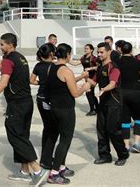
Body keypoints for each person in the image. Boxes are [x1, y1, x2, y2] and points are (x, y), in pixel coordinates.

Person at [0, 33, 47, 185]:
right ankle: (24, 171)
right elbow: (14, 75)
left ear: (10, 44)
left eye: (2, 44)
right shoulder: (20, 58)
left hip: (17, 104)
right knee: (22, 135)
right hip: (27, 102)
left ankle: (37, 170)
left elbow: (3, 82)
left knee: (15, 135)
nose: (0, 47)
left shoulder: (9, 60)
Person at [46, 43, 90, 184]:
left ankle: (61, 167)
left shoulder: (51, 67)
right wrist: (85, 87)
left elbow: (63, 85)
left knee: (61, 138)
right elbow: (75, 93)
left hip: (55, 108)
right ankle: (54, 173)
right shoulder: (66, 70)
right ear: (68, 55)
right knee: (65, 141)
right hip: (65, 110)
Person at [88, 42, 129, 166]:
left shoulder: (113, 67)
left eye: (101, 52)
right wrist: (80, 80)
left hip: (114, 103)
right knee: (101, 130)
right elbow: (93, 82)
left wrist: (104, 89)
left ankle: (123, 154)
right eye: (98, 52)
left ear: (109, 52)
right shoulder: (100, 67)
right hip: (103, 103)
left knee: (113, 130)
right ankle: (105, 155)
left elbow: (113, 83)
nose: (99, 54)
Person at [30, 43, 55, 170]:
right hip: (48, 99)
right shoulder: (54, 66)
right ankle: (47, 157)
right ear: (51, 54)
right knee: (52, 129)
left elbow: (31, 80)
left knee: (47, 127)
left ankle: (47, 154)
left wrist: (41, 82)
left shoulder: (38, 66)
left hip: (40, 98)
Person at [116, 41, 140, 153]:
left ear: (121, 50)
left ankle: (126, 145)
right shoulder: (137, 61)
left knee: (125, 119)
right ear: (131, 50)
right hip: (136, 92)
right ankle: (137, 144)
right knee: (139, 117)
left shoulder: (117, 62)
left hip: (122, 92)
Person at [80, 44, 98, 116]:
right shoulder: (83, 57)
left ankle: (92, 110)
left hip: (93, 76)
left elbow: (98, 66)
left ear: (91, 50)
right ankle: (97, 108)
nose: (85, 50)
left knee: (88, 93)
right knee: (91, 93)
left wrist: (90, 68)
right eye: (85, 48)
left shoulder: (93, 58)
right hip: (86, 77)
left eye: (87, 48)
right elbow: (75, 63)